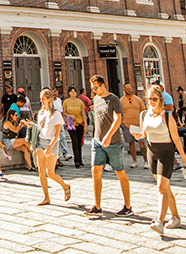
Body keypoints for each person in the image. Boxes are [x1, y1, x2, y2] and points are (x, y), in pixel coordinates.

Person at [130, 85, 186, 236]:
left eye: (154, 99)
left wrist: (183, 157)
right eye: (149, 99)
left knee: (161, 188)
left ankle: (159, 221)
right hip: (152, 152)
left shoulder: (167, 117)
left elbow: (176, 138)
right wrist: (137, 136)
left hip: (165, 153)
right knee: (166, 188)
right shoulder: (144, 114)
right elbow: (144, 134)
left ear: (160, 100)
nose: (151, 101)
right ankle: (176, 217)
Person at [87, 75, 132, 217]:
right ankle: (97, 206)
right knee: (95, 171)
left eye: (96, 88)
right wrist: (97, 136)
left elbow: (118, 119)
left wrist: (109, 135)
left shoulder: (113, 99)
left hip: (113, 142)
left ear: (103, 85)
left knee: (120, 172)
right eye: (92, 89)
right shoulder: (95, 99)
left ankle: (128, 206)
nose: (94, 91)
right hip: (97, 141)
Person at [35, 88, 71, 205]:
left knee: (50, 173)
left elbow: (57, 134)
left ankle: (65, 186)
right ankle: (46, 197)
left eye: (43, 99)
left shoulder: (56, 114)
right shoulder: (41, 112)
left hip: (51, 143)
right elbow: (39, 128)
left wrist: (50, 147)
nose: (41, 101)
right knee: (41, 171)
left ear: (49, 99)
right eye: (41, 99)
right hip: (41, 141)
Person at [119, 83, 147, 169]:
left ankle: (146, 160)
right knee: (131, 143)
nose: (129, 90)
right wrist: (121, 123)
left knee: (142, 144)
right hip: (127, 125)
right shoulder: (121, 101)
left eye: (130, 88)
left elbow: (143, 111)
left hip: (138, 124)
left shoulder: (138, 99)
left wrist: (143, 122)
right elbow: (119, 113)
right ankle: (134, 160)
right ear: (124, 90)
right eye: (127, 89)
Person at [62, 87, 86, 168]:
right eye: (72, 92)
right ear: (69, 93)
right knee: (74, 141)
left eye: (74, 92)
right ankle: (76, 160)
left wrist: (85, 125)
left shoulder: (80, 102)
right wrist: (69, 115)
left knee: (79, 142)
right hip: (71, 124)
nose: (73, 93)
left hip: (79, 123)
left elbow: (83, 114)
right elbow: (64, 113)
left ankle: (80, 158)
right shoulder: (66, 102)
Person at [52, 89, 73, 162]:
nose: (54, 96)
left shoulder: (59, 100)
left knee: (62, 137)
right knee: (55, 139)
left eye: (55, 94)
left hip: (59, 120)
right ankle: (56, 156)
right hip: (53, 121)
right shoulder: (50, 101)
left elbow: (61, 111)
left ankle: (65, 153)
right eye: (53, 94)